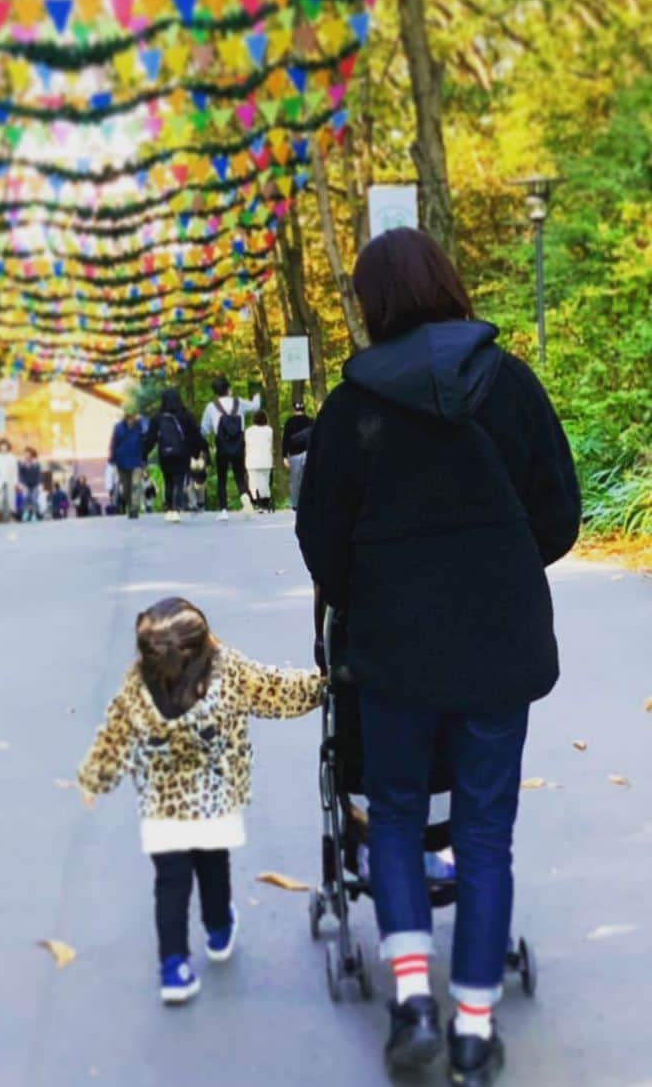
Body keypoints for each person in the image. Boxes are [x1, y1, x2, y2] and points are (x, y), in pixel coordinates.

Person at [296, 228, 580, 1084]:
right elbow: (559, 514)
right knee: (488, 833)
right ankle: (474, 1028)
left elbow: (322, 539)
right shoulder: (511, 383)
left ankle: (413, 1002)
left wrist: (372, 594)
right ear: (449, 285)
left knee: (391, 813)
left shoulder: (353, 407)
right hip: (500, 644)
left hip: (394, 650)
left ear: (374, 304)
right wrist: (496, 565)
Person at [77, 597, 323, 1005]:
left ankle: (173, 967)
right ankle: (218, 928)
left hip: (162, 807)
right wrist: (323, 686)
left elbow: (115, 733)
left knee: (169, 884)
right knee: (213, 866)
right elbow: (276, 690)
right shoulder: (227, 671)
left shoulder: (138, 684)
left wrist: (95, 778)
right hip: (215, 800)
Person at [143, 388, 206, 523]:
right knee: (179, 481)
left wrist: (143, 454)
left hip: (165, 454)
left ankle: (170, 509)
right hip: (182, 453)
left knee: (168, 481)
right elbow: (194, 435)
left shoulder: (158, 418)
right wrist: (197, 452)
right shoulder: (185, 416)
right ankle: (176, 509)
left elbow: (150, 438)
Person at [200, 375, 259, 520]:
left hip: (222, 446)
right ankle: (246, 501)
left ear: (215, 391)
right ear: (228, 388)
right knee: (240, 475)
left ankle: (223, 510)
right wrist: (257, 396)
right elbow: (255, 407)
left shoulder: (211, 406)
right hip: (239, 445)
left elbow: (204, 429)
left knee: (222, 478)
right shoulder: (239, 402)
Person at [109, 410, 146, 519]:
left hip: (136, 460)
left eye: (133, 417)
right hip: (122, 461)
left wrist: (142, 418)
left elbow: (148, 429)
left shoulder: (140, 426)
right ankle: (130, 504)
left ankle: (134, 508)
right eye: (129, 417)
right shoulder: (118, 427)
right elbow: (113, 444)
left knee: (136, 485)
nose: (131, 419)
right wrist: (112, 459)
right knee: (126, 487)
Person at [281, 401, 314, 510]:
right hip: (309, 453)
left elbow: (285, 439)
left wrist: (284, 456)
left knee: (295, 480)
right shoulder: (311, 421)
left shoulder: (289, 422)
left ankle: (295, 504)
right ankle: (308, 501)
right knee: (308, 479)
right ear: (304, 409)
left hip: (294, 454)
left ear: (294, 410)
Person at [244, 409, 274, 511]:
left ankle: (257, 503)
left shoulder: (249, 431)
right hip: (266, 460)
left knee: (253, 483)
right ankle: (266, 502)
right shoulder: (269, 430)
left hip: (252, 460)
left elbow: (247, 446)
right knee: (265, 482)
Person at [19, 448, 42, 522]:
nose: (27, 456)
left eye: (29, 455)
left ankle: (34, 515)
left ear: (32, 455)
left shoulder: (36, 464)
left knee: (34, 500)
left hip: (35, 485)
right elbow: (20, 474)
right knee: (26, 499)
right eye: (26, 454)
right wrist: (21, 484)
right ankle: (25, 514)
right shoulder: (22, 463)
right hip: (25, 485)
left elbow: (39, 475)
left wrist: (39, 484)